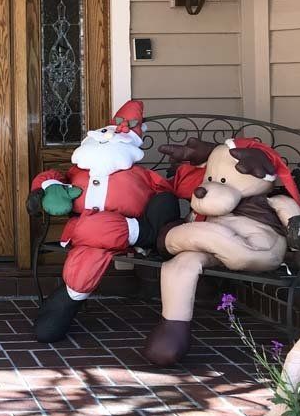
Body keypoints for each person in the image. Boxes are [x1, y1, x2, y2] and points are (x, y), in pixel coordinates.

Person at [27, 100, 203, 342]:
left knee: (158, 203)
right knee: (91, 241)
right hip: (91, 234)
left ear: (129, 145)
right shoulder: (77, 173)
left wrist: (199, 169)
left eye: (119, 133)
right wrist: (48, 187)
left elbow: (173, 189)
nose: (110, 136)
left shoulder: (141, 175)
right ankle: (67, 300)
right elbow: (52, 176)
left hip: (132, 231)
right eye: (106, 134)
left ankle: (148, 240)